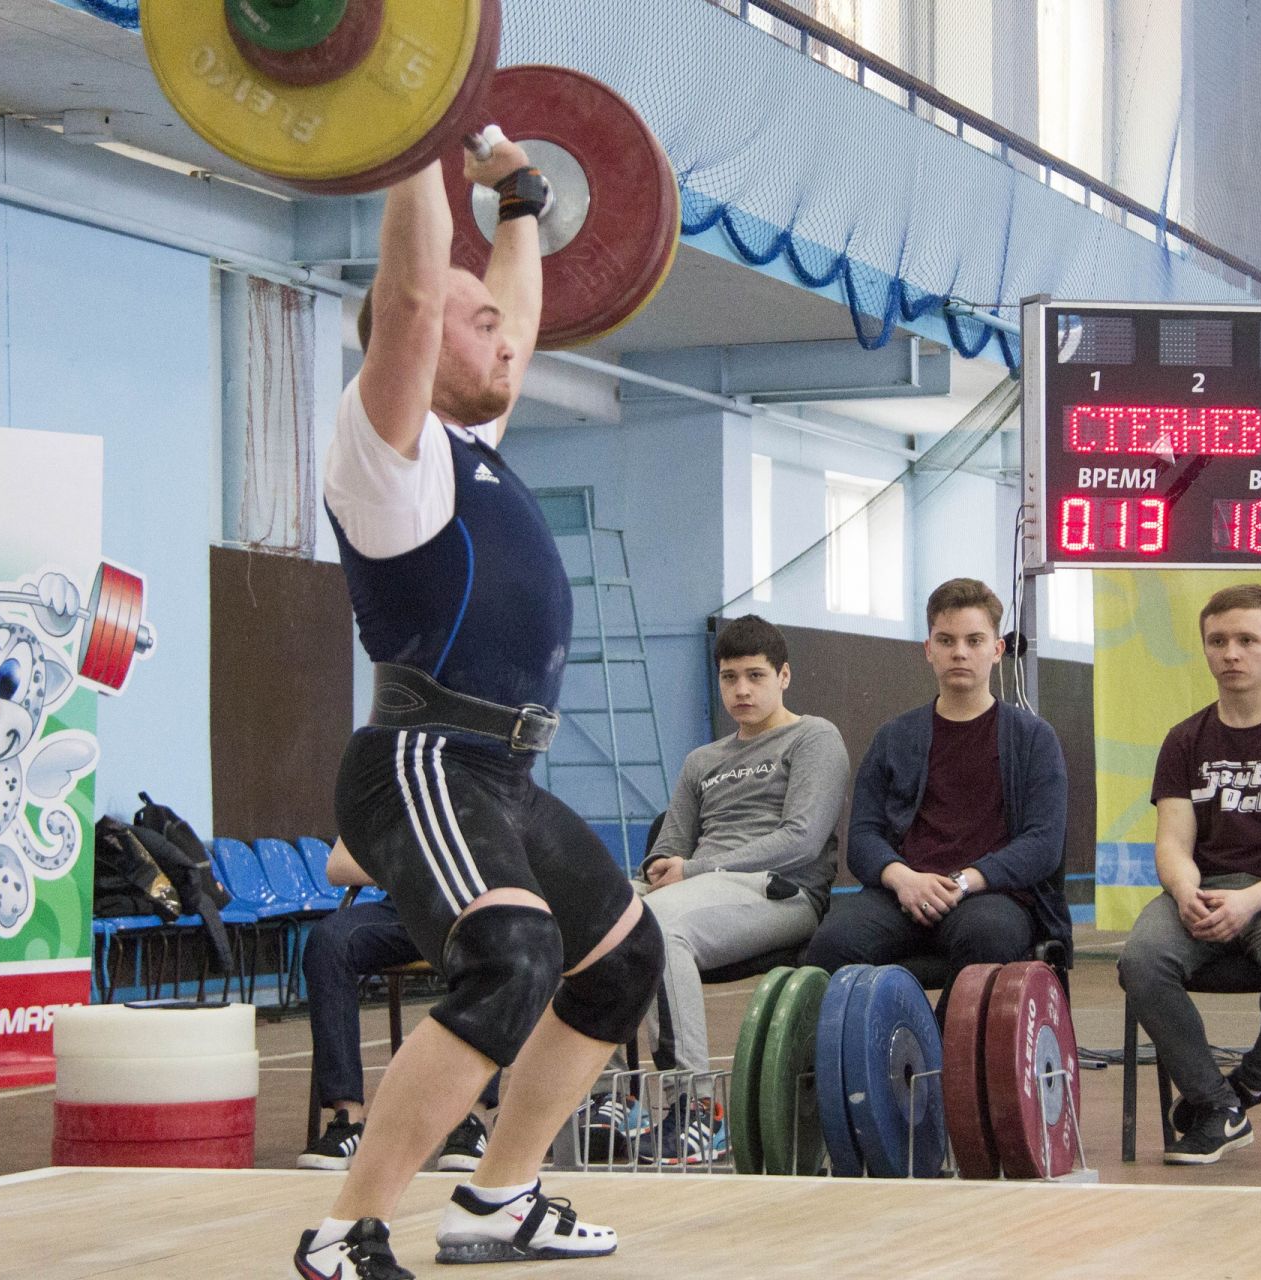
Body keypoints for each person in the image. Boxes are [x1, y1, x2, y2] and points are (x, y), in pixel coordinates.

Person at [294, 134, 664, 1280]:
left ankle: (500, 1196)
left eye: (498, 325)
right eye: (472, 324)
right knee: (511, 954)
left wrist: (520, 197)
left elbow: (509, 305)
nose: (503, 334)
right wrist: (413, 142)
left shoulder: (473, 444)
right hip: (422, 758)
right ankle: (341, 1230)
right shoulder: (385, 449)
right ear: (405, 349)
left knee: (620, 962)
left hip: (500, 772)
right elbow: (411, 293)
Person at [1116, 582, 1261, 1166]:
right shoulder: (1184, 740)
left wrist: (1251, 903)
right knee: (1140, 960)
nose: (1231, 653)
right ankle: (1215, 1104)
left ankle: (1248, 1084)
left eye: (1247, 640)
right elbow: (1172, 843)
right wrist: (1184, 890)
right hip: (1208, 889)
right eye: (1218, 641)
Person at [603, 615, 848, 1164]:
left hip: (778, 893)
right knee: (585, 919)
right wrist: (665, 869)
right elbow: (666, 849)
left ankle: (696, 1110)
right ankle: (609, 1097)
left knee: (658, 927)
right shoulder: (702, 761)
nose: (741, 689)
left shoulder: (814, 737)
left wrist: (696, 869)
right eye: (729, 676)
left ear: (784, 676)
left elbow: (802, 840)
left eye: (755, 675)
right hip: (695, 888)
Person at [801, 578, 1070, 1021]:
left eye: (974, 640)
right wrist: (903, 879)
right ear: (929, 649)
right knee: (832, 943)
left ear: (997, 650)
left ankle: (940, 1060)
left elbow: (1043, 843)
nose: (959, 652)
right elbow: (864, 838)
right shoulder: (894, 737)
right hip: (904, 894)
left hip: (990, 896)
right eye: (946, 641)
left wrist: (965, 881)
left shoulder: (1034, 739)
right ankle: (850, 1068)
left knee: (988, 939)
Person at [295, 840, 496, 1176]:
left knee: (497, 942)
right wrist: (416, 868)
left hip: (477, 908)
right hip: (407, 913)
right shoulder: (384, 789)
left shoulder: (486, 787)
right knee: (328, 941)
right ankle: (348, 1121)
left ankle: (470, 1121)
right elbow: (338, 866)